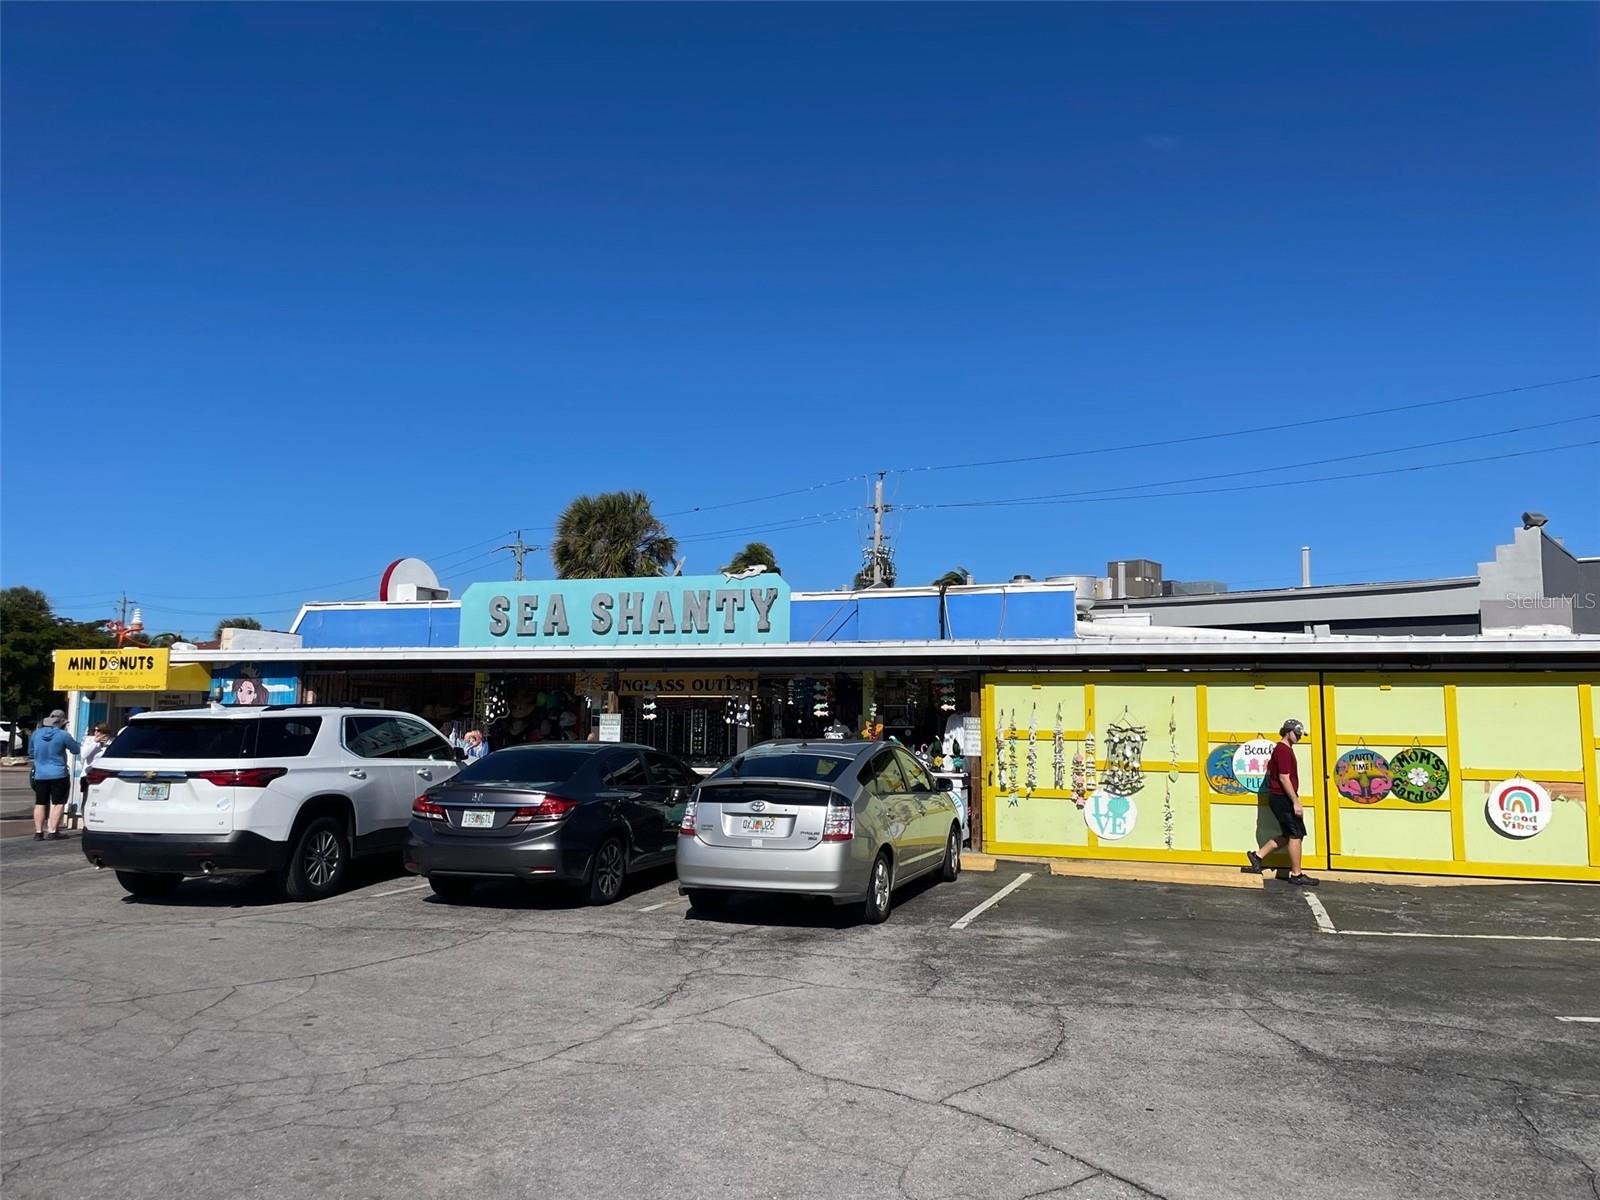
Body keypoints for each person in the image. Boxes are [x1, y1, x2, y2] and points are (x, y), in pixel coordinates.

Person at [1243, 718, 1318, 886]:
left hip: (1279, 797)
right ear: (1287, 731)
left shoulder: (1283, 749)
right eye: (1297, 733)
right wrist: (1295, 801)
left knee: (1289, 834)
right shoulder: (1283, 750)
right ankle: (1296, 874)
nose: (1299, 737)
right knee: (1295, 834)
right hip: (1283, 797)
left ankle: (1257, 856)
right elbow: (1284, 778)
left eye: (1301, 734)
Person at [29, 710, 80, 841]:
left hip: (40, 774)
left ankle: (38, 832)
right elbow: (76, 750)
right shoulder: (63, 735)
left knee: (40, 803)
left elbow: (31, 752)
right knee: (58, 802)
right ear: (62, 723)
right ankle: (53, 831)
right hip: (59, 774)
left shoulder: (36, 734)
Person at [71, 724, 112, 829]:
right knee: (87, 799)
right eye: (95, 730)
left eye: (99, 731)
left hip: (104, 775)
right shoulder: (89, 741)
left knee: (103, 800)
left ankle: (102, 822)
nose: (96, 733)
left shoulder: (110, 743)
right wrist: (95, 743)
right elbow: (84, 755)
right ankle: (86, 824)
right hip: (88, 775)